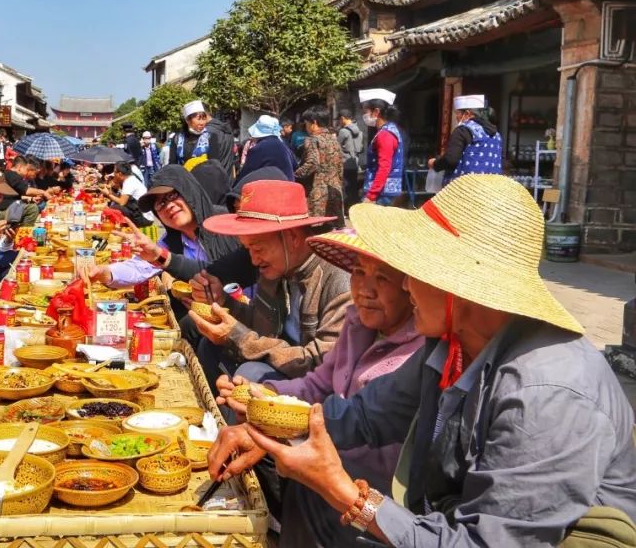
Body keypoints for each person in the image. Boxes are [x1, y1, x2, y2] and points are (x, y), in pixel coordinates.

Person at [209, 175, 636, 547]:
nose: (406, 285)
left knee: (326, 499)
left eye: (412, 271)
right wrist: (265, 427)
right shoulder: (450, 345)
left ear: (458, 286)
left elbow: (483, 542)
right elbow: (365, 415)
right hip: (445, 513)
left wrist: (344, 492)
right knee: (310, 497)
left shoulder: (545, 395)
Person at [216, 229, 422, 543]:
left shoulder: (417, 353)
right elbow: (317, 384)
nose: (365, 290)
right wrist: (267, 396)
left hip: (371, 484)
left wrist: (280, 428)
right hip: (325, 443)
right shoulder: (358, 325)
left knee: (287, 466)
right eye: (358, 272)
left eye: (382, 278)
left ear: (411, 288)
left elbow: (362, 426)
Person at [191, 180, 350, 385]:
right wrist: (223, 302)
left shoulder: (338, 279)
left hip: (316, 386)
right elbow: (260, 322)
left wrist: (238, 337)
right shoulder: (277, 269)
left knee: (251, 373)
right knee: (209, 347)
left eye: (258, 249)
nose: (254, 260)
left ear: (292, 237)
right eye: (249, 250)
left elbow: (323, 363)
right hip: (281, 361)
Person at [84, 165, 240, 291]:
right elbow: (139, 267)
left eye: (172, 196)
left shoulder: (227, 224)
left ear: (189, 192)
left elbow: (228, 273)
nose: (169, 206)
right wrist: (104, 273)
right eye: (160, 204)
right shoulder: (171, 240)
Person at [428, 94, 503, 185]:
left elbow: (450, 160)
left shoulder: (463, 130)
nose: (456, 117)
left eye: (457, 114)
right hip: (490, 190)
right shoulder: (496, 135)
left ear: (467, 114)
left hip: (466, 190)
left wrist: (435, 164)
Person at [295, 105, 345, 227]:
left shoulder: (313, 139)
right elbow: (340, 166)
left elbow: (312, 163)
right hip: (335, 191)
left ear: (314, 123)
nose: (306, 127)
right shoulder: (333, 139)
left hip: (317, 193)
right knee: (332, 230)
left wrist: (295, 175)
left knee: (316, 230)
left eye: (307, 123)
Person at [359, 88, 405, 206]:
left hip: (381, 194)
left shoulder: (385, 135)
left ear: (376, 112)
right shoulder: (390, 129)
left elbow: (384, 166)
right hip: (385, 190)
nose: (364, 115)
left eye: (366, 111)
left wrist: (371, 196)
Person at [170, 100, 235, 176]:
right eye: (198, 119)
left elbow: (214, 165)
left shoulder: (210, 137)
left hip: (204, 182)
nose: (202, 123)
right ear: (187, 120)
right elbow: (172, 164)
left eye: (204, 119)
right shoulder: (177, 138)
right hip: (182, 182)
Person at [239, 115, 296, 182]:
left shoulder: (257, 149)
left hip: (271, 189)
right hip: (289, 187)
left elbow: (245, 175)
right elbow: (294, 165)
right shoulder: (284, 146)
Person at [0, 154, 45, 226]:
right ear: (20, 167)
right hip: (3, 211)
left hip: (6, 208)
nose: (26, 172)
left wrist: (31, 199)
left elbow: (14, 196)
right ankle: (24, 231)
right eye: (26, 169)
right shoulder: (13, 175)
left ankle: (19, 228)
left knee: (32, 205)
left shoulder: (8, 174)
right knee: (33, 208)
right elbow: (27, 191)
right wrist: (44, 192)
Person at [99, 162, 153, 227]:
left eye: (115, 172)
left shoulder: (129, 182)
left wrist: (108, 194)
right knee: (114, 207)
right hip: (137, 211)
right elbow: (120, 199)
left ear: (120, 174)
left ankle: (112, 228)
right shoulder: (130, 179)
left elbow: (122, 202)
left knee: (113, 209)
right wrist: (110, 191)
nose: (114, 175)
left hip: (144, 217)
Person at [335, 108, 364, 211]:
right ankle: (355, 209)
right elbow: (361, 148)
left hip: (345, 163)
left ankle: (347, 209)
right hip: (355, 163)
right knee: (353, 187)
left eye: (339, 119)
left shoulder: (343, 131)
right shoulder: (359, 131)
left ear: (343, 118)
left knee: (345, 188)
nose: (339, 122)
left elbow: (336, 146)